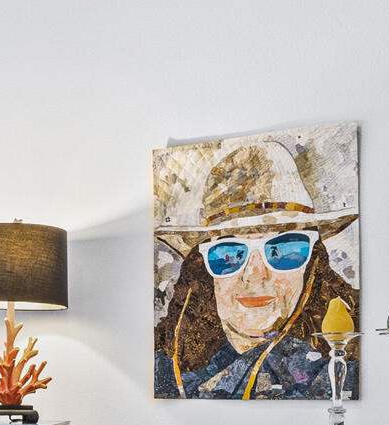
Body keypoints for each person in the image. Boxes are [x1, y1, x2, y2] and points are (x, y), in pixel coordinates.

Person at [154, 137, 359, 399]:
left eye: (284, 250)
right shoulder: (166, 372)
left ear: (311, 265)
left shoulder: (337, 372)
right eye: (229, 254)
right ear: (203, 270)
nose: (255, 275)